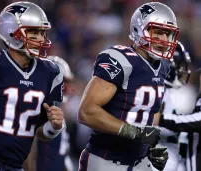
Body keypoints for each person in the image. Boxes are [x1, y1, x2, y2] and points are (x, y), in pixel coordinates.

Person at [0, 1, 66, 171]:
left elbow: (38, 133)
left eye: (41, 32)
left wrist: (54, 127)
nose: (40, 38)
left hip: (15, 166)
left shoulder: (50, 72)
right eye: (33, 32)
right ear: (11, 32)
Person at [77, 2, 180, 171]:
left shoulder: (164, 66)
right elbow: (86, 112)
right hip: (106, 159)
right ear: (139, 29)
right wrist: (135, 133)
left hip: (139, 160)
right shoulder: (120, 60)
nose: (164, 40)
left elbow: (146, 113)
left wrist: (150, 148)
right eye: (158, 32)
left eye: (168, 34)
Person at [23, 56, 74, 171]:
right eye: (63, 82)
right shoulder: (41, 108)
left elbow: (61, 155)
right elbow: (28, 151)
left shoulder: (55, 110)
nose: (67, 88)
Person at [153, 41, 193, 171]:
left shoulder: (168, 90)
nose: (182, 69)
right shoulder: (157, 89)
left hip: (170, 151)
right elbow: (152, 123)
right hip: (157, 152)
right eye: (179, 64)